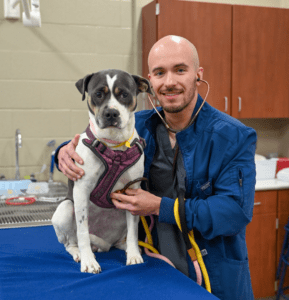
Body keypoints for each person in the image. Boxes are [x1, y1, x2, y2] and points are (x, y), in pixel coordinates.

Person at [55, 35, 257, 300]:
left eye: (180, 70)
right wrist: (61, 152)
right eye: (160, 73)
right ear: (149, 81)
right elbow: (92, 140)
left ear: (198, 75)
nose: (169, 82)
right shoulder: (139, 125)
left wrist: (160, 206)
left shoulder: (233, 136)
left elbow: (234, 212)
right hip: (153, 267)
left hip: (213, 275)